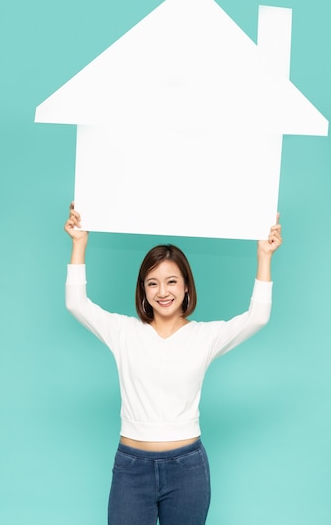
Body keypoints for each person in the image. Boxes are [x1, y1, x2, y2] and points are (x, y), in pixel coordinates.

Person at [64, 203, 282, 525]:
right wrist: (79, 243)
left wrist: (264, 257)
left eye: (171, 282)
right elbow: (76, 303)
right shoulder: (123, 332)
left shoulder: (205, 337)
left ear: (185, 287)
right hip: (131, 468)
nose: (162, 291)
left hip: (187, 470)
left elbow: (257, 317)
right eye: (152, 283)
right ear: (143, 290)